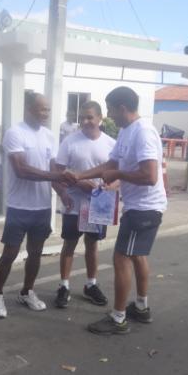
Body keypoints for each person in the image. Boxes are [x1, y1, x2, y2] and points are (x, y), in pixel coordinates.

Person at [65, 86, 167, 335]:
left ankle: (118, 318)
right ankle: (141, 307)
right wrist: (80, 174)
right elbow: (110, 163)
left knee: (121, 258)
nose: (108, 114)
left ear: (122, 108)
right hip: (141, 207)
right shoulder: (125, 131)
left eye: (109, 108)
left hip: (144, 208)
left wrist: (119, 174)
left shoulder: (142, 132)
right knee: (137, 256)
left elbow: (150, 176)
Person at [0, 91, 66, 318]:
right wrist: (57, 178)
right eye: (42, 109)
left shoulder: (49, 136)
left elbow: (53, 170)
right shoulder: (15, 133)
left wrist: (63, 193)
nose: (46, 114)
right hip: (19, 206)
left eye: (48, 110)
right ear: (29, 109)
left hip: (42, 206)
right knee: (10, 253)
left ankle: (27, 291)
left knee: (36, 253)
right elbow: (21, 170)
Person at [53, 101, 116, 308]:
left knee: (92, 244)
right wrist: (76, 184)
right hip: (74, 203)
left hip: (99, 205)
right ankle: (64, 286)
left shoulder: (111, 144)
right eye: (83, 118)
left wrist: (110, 188)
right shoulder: (70, 142)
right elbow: (58, 174)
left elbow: (118, 175)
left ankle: (91, 285)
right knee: (69, 244)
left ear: (100, 118)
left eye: (90, 117)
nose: (86, 121)